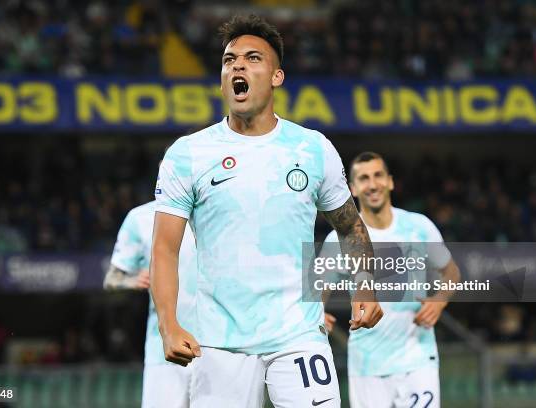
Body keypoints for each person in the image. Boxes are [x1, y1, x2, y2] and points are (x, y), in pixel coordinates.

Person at [151, 14, 382, 408]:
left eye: (252, 58)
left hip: (297, 336)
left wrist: (366, 285)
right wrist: (168, 325)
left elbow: (349, 227)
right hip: (219, 344)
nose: (237, 65)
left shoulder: (312, 148)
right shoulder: (187, 154)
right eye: (229, 60)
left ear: (277, 77)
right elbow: (164, 249)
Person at [324, 152, 461, 408]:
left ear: (390, 181)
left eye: (378, 176)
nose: (373, 184)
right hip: (368, 364)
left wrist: (439, 300)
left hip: (418, 358)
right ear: (353, 188)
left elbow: (451, 272)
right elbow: (317, 286)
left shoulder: (419, 226)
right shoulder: (340, 238)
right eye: (364, 178)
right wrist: (316, 311)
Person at [104, 201, 197, 408]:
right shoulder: (140, 217)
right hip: (163, 352)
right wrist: (131, 280)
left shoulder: (217, 208)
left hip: (218, 346)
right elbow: (111, 278)